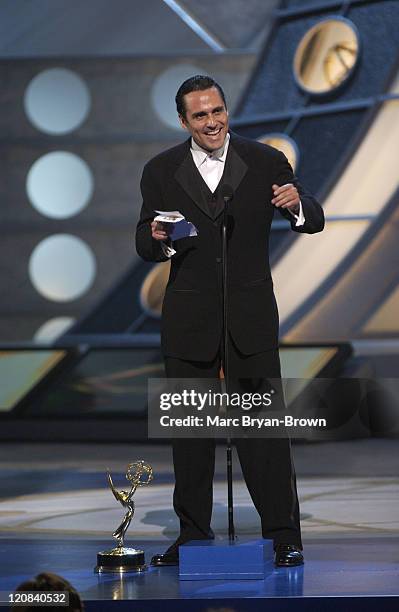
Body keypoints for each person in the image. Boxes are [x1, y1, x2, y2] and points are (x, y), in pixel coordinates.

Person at [135, 75, 324, 568]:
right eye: (200, 115)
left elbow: (314, 215)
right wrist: (158, 237)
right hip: (188, 319)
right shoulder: (160, 170)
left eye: (218, 111)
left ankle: (284, 535)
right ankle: (193, 535)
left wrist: (297, 205)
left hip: (250, 317)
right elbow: (144, 240)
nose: (213, 121)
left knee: (263, 433)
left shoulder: (264, 160)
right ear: (184, 121)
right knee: (191, 436)